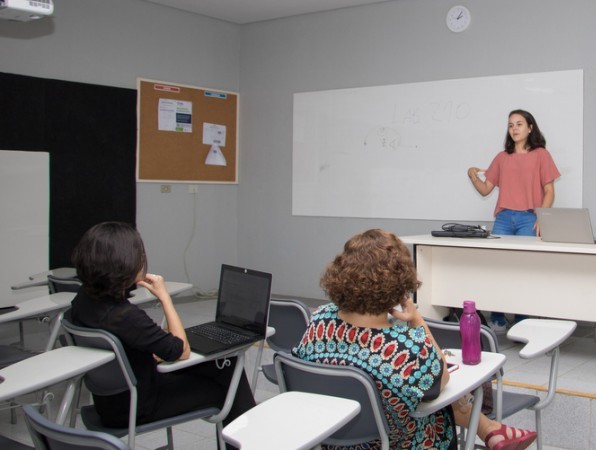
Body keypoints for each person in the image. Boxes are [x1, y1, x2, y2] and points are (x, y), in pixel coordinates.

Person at [293, 229, 537, 450]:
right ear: (400, 285)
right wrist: (417, 320)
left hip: (333, 437)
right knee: (439, 393)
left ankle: (490, 430)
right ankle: (490, 429)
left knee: (419, 387)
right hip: (402, 442)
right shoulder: (406, 348)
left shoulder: (319, 319)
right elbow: (442, 378)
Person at [66, 222, 256, 433]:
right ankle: (248, 442)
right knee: (228, 387)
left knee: (225, 363)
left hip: (112, 403)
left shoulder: (83, 300)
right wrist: (164, 297)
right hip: (140, 406)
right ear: (123, 262)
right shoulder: (125, 316)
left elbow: (134, 342)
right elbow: (180, 351)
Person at [467, 109, 561, 332]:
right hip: (504, 218)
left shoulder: (541, 155)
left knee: (523, 268)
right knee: (499, 268)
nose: (515, 128)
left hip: (528, 217)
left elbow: (549, 192)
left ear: (530, 128)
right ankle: (497, 315)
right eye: (511, 125)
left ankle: (521, 318)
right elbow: (485, 190)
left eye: (519, 124)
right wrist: (472, 174)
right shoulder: (502, 157)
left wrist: (542, 216)